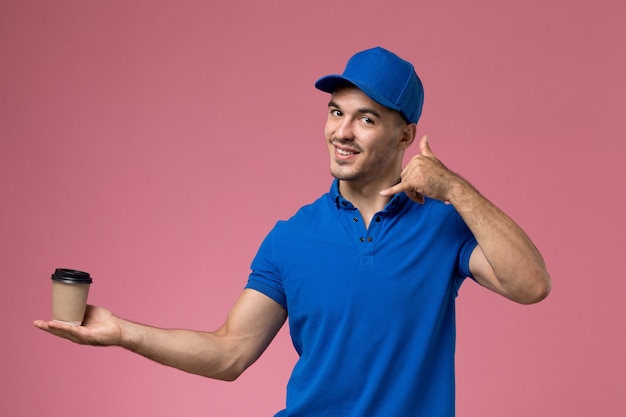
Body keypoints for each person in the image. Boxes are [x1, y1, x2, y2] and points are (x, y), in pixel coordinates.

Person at [34, 46, 551, 416]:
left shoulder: (443, 226)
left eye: (366, 119)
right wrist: (123, 332)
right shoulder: (291, 237)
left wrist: (455, 189)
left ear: (406, 135)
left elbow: (531, 285)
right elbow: (230, 352)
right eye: (335, 112)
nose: (341, 132)